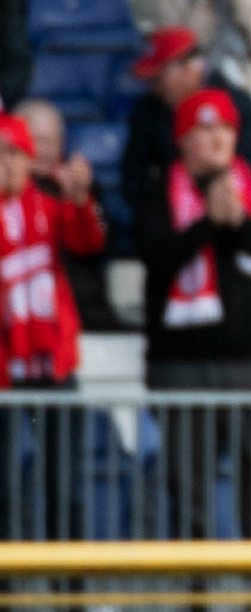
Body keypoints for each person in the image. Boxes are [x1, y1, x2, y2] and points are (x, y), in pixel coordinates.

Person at [135, 88, 251, 541]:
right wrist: (207, 222)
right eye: (204, 129)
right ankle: (196, 599)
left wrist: (239, 223)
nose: (217, 137)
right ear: (183, 139)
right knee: (188, 483)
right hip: (182, 364)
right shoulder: (158, 191)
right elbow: (155, 256)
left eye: (224, 127)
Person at [0, 112, 105, 542]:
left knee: (66, 488)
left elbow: (88, 242)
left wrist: (81, 201)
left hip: (53, 369)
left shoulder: (50, 206)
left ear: (30, 161)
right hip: (6, 374)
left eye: (13, 153)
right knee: (3, 489)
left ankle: (73, 600)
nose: (6, 164)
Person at [122, 25, 251, 218]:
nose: (154, 88)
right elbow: (134, 182)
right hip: (173, 220)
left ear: (189, 68)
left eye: (159, 78)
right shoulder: (149, 110)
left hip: (239, 210)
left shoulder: (235, 103)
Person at [14, 99, 123, 331]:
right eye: (37, 140)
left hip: (78, 308)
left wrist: (80, 199)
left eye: (51, 142)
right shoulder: (8, 191)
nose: (43, 150)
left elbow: (95, 247)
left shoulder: (81, 186)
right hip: (20, 313)